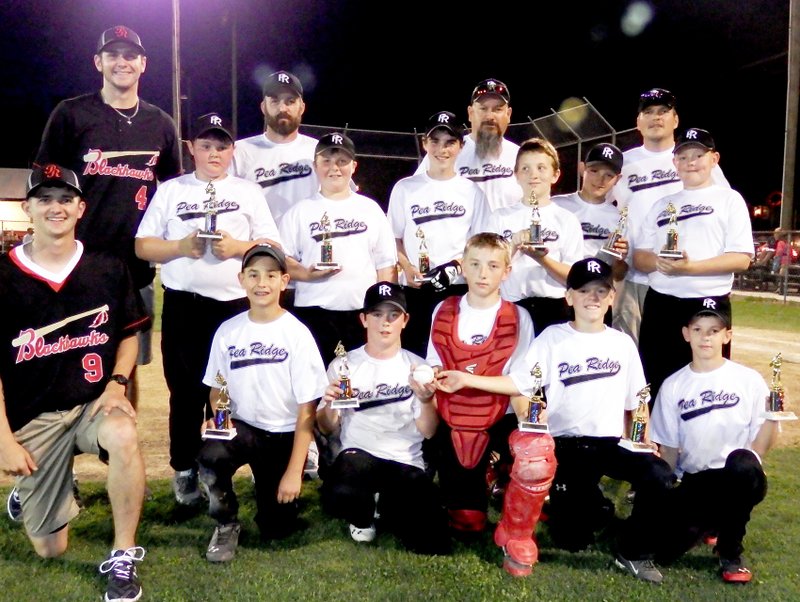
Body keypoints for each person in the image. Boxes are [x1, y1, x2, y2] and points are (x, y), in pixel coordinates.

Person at [436, 257, 675, 582]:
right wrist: (467, 379)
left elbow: (637, 402)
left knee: (658, 474)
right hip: (565, 447)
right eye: (584, 290)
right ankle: (592, 511)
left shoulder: (623, 344)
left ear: (611, 297)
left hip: (609, 444)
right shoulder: (552, 338)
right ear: (569, 297)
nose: (592, 298)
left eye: (600, 291)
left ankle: (633, 550)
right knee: (573, 536)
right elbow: (518, 383)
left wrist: (643, 440)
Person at [0, 164, 150, 601]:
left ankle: (124, 555)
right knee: (51, 549)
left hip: (90, 404)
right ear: (27, 208)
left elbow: (127, 333)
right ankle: (38, 492)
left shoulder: (105, 267)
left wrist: (117, 383)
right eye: (44, 199)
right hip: (35, 416)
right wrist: (5, 440)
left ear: (80, 207)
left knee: (123, 433)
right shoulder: (4, 277)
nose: (55, 207)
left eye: (65, 198)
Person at [135, 113, 281, 505]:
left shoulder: (248, 191)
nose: (214, 153)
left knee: (231, 392)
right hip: (185, 307)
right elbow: (143, 245)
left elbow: (273, 244)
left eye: (221, 146)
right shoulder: (171, 190)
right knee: (183, 393)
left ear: (232, 150)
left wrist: (238, 249)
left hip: (235, 309)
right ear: (190, 148)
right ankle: (184, 469)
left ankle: (221, 469)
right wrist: (181, 247)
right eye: (205, 145)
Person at [34, 25, 182, 405]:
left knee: (125, 359)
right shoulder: (71, 113)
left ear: (143, 64)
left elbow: (174, 192)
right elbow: (44, 182)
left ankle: (118, 442)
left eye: (130, 55)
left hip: (135, 264)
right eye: (113, 55)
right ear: (98, 62)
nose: (122, 62)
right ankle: (63, 442)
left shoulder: (161, 123)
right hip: (78, 260)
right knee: (65, 350)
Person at [195, 243, 325, 562]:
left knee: (277, 527)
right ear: (241, 280)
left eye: (270, 275)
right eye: (253, 274)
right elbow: (216, 388)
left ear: (284, 281)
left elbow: (308, 410)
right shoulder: (228, 331)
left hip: (283, 435)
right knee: (211, 454)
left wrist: (294, 471)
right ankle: (226, 523)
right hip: (243, 430)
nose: (261, 283)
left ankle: (277, 494)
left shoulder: (297, 334)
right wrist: (218, 418)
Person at [316, 281, 451, 554]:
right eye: (376, 315)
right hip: (357, 458)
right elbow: (327, 427)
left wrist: (425, 400)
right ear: (363, 319)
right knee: (343, 484)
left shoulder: (418, 367)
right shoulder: (343, 366)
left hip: (404, 461)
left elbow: (428, 431)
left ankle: (383, 504)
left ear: (405, 320)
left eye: (393, 315)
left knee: (433, 543)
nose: (384, 323)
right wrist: (330, 404)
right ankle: (363, 513)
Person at [649, 302, 779, 583]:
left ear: (727, 335)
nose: (705, 337)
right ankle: (711, 522)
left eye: (714, 330)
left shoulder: (748, 380)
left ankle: (730, 552)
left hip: (740, 476)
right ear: (686, 334)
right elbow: (670, 450)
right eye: (698, 329)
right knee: (663, 550)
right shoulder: (674, 385)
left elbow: (760, 449)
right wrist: (662, 493)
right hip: (699, 480)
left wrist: (772, 416)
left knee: (742, 466)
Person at [424, 233, 534, 545]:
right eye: (474, 264)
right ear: (463, 268)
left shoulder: (517, 317)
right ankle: (479, 475)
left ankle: (504, 475)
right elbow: (436, 362)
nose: (483, 273)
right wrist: (431, 376)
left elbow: (520, 382)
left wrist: (467, 378)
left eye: (492, 266)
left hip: (499, 415)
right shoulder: (443, 310)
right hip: (455, 416)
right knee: (467, 526)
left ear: (506, 271)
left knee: (537, 454)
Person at [633, 128, 753, 401]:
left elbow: (742, 258)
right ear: (674, 163)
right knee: (656, 381)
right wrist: (660, 263)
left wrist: (689, 268)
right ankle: (658, 444)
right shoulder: (662, 205)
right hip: (662, 304)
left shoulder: (729, 199)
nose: (691, 162)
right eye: (683, 156)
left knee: (707, 383)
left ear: (714, 159)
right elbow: (640, 257)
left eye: (699, 155)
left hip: (707, 303)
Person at [608, 88, 728, 345]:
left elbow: (723, 207)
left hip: (685, 278)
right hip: (633, 275)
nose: (656, 118)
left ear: (675, 119)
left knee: (684, 351)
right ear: (638, 122)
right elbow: (601, 204)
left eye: (664, 111)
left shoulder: (694, 158)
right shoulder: (623, 164)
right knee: (631, 351)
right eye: (648, 112)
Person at [279, 132, 397, 366]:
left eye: (342, 161)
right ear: (315, 166)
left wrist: (383, 312)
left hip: (361, 314)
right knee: (317, 388)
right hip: (314, 314)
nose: (335, 168)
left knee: (360, 385)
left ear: (354, 166)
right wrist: (306, 274)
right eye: (327, 161)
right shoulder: (299, 212)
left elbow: (386, 264)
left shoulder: (370, 209)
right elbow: (283, 261)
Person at [388, 110, 489, 355]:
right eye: (435, 141)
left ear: (461, 147)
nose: (441, 149)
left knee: (455, 356)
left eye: (449, 142)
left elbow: (481, 246)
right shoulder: (405, 188)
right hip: (416, 289)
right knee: (417, 360)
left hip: (457, 289)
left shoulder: (472, 192)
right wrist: (408, 268)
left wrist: (456, 265)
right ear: (424, 143)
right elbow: (394, 239)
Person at [484, 138, 583, 335]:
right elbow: (487, 270)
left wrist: (543, 259)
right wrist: (511, 245)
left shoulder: (567, 220)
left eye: (541, 168)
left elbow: (574, 278)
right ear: (516, 174)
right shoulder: (499, 217)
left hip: (554, 309)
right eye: (526, 169)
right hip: (509, 307)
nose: (533, 175)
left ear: (555, 175)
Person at [416, 78, 522, 212]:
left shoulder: (520, 156)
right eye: (483, 108)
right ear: (470, 113)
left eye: (498, 109)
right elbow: (415, 193)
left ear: (508, 114)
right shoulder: (446, 153)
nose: (490, 116)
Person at [230, 70, 318, 225]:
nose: (282, 108)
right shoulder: (240, 151)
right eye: (275, 101)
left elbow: (341, 198)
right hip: (258, 246)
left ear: (302, 107)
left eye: (290, 101)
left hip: (307, 245)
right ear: (263, 107)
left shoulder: (318, 150)